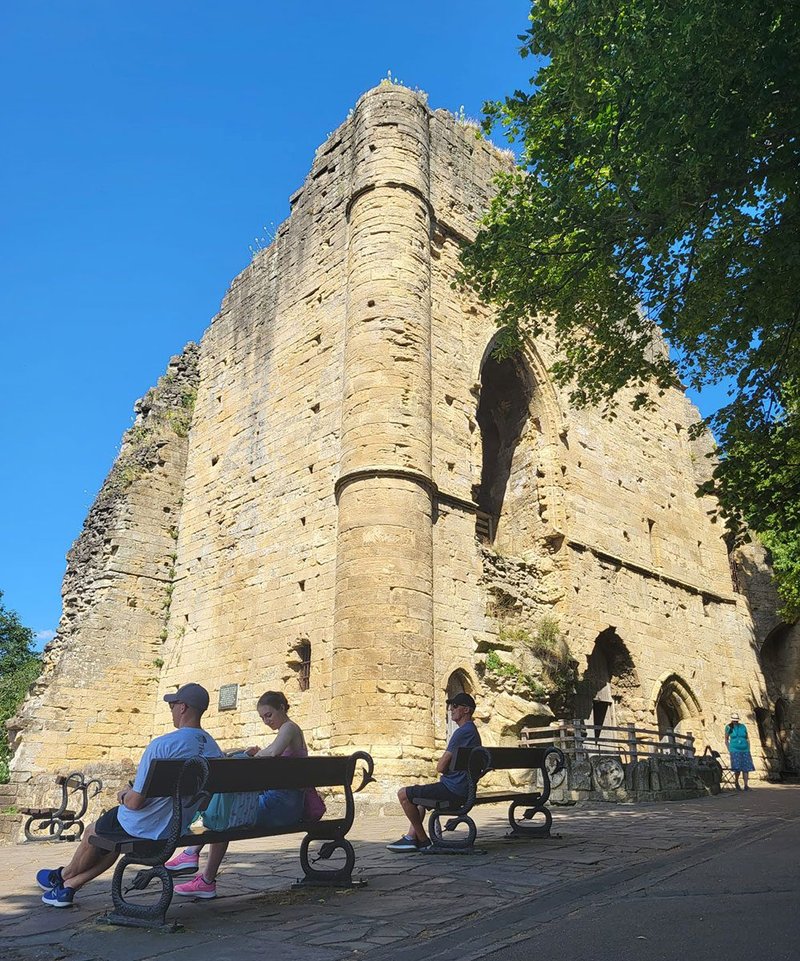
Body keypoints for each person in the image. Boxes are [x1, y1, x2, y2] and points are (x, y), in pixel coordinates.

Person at [35, 683, 222, 908]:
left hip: (144, 826)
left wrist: (123, 794)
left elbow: (135, 802)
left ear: (183, 708)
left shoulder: (162, 745)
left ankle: (63, 875)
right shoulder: (214, 749)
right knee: (111, 841)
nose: (171, 710)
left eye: (173, 705)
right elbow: (206, 802)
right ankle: (68, 886)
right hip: (175, 830)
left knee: (93, 832)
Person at [170, 690, 309, 899]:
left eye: (268, 715)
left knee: (224, 816)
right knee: (222, 812)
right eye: (262, 717)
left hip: (280, 808)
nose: (265, 721)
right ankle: (193, 858)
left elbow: (272, 752)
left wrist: (250, 754)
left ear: (282, 708)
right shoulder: (289, 730)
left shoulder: (289, 728)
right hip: (289, 806)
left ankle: (200, 869)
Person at [386, 692, 481, 853]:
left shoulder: (462, 732)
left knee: (403, 794)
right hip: (464, 789)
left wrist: (446, 769)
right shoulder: (473, 732)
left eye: (455, 706)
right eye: (451, 706)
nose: (451, 709)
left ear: (466, 710)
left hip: (453, 790)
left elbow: (440, 767)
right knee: (421, 798)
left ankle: (423, 840)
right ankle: (410, 837)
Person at [725, 712, 755, 790]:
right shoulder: (728, 727)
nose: (735, 721)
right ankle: (736, 782)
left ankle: (746, 785)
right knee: (737, 768)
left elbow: (747, 738)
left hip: (745, 749)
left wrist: (749, 747)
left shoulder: (743, 727)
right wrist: (729, 748)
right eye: (734, 720)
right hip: (735, 749)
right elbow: (726, 739)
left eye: (736, 720)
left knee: (746, 768)